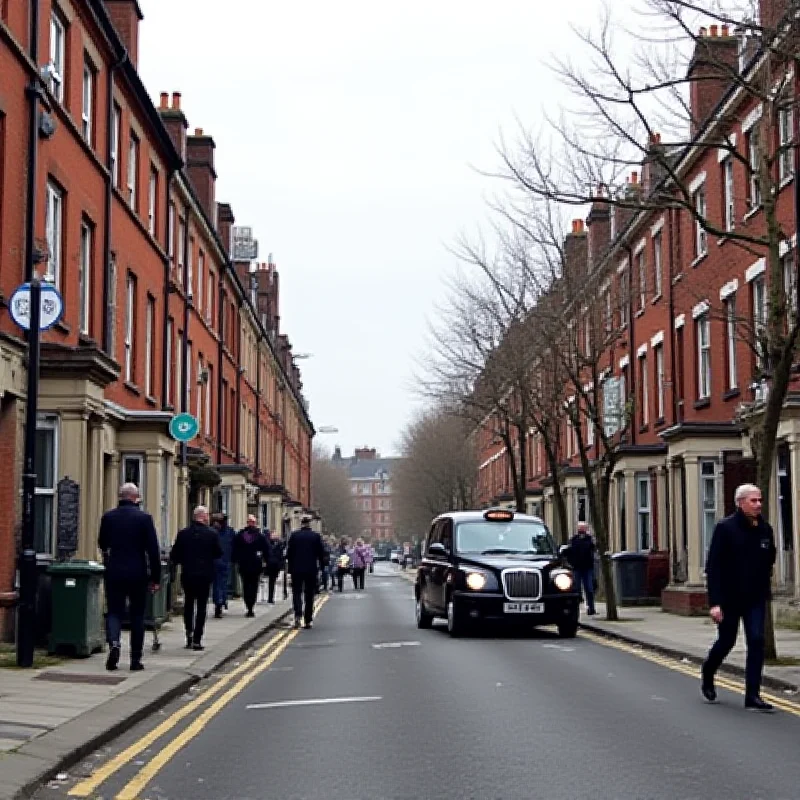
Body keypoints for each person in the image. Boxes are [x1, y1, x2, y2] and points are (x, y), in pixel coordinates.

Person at [701, 483, 777, 712]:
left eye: (760, 500)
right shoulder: (725, 528)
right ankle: (708, 672)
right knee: (727, 641)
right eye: (753, 501)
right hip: (729, 598)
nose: (758, 505)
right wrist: (714, 603)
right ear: (740, 502)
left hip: (755, 597)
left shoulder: (765, 529)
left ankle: (752, 695)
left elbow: (769, 558)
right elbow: (713, 567)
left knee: (756, 640)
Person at [98, 483, 161, 672]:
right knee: (137, 616)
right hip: (137, 572)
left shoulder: (108, 517)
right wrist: (156, 578)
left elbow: (102, 543)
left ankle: (115, 643)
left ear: (120, 496)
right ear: (136, 497)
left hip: (115, 571)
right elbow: (153, 550)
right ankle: (135, 659)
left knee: (114, 612)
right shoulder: (144, 518)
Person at [170, 506, 222, 650]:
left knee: (188, 604)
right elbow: (218, 553)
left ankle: (189, 634)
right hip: (205, 575)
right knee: (201, 607)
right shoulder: (212, 534)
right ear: (204, 517)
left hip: (188, 574)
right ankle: (197, 639)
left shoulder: (183, 534)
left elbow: (175, 556)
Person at [286, 515, 325, 628]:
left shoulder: (294, 536)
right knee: (309, 595)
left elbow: (289, 554)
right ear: (309, 524)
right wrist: (322, 568)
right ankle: (308, 620)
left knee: (297, 593)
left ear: (301, 523)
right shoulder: (316, 537)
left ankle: (298, 615)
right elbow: (321, 554)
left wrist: (290, 568)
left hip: (296, 570)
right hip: (311, 570)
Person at [233, 515, 269, 617]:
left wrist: (267, 561)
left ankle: (250, 606)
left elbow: (266, 550)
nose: (251, 524)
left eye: (252, 522)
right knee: (247, 586)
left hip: (253, 565)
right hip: (247, 564)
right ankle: (249, 605)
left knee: (252, 586)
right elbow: (235, 549)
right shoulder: (242, 535)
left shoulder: (258, 536)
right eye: (249, 522)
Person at [568, 522, 597, 616]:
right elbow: (570, 552)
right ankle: (576, 608)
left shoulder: (589, 540)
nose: (582, 530)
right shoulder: (574, 540)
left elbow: (592, 550)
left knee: (589, 588)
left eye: (583, 528)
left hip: (587, 568)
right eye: (580, 528)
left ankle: (591, 608)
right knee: (576, 589)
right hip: (577, 568)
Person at [211, 513, 236, 618]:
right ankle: (220, 603)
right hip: (223, 561)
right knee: (221, 584)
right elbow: (234, 546)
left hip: (217, 561)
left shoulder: (212, 531)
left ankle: (219, 603)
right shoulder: (229, 532)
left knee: (218, 585)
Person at [264, 529, 286, 604]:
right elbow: (265, 554)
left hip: (276, 565)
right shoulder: (268, 543)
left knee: (273, 581)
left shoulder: (280, 544)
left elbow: (282, 556)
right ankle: (270, 598)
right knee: (271, 582)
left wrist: (281, 565)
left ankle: (271, 597)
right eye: (273, 534)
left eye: (276, 534)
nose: (275, 536)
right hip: (269, 565)